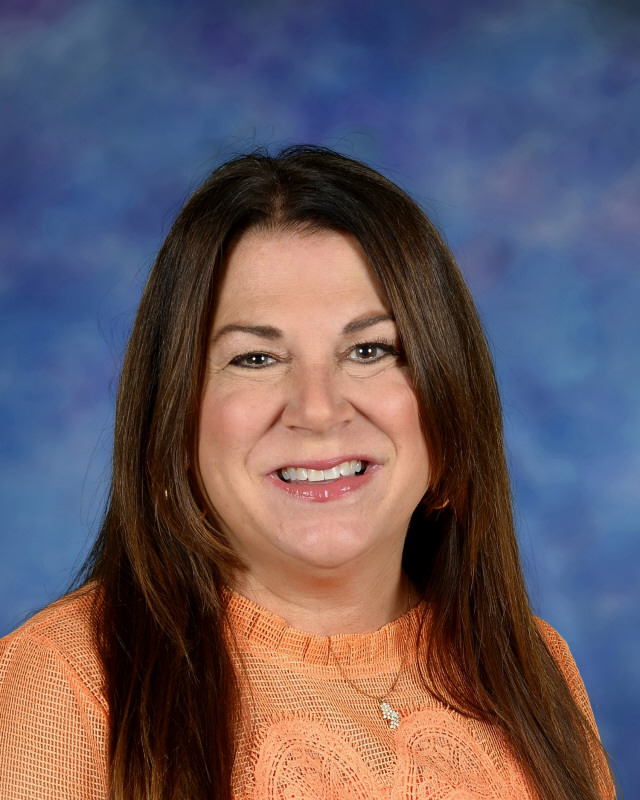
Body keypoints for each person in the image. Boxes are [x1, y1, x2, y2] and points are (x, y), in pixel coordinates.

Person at [0, 146, 614, 800]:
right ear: (175, 415)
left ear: (447, 396)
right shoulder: (69, 685)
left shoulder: (530, 666)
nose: (318, 411)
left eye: (370, 349)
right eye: (256, 358)